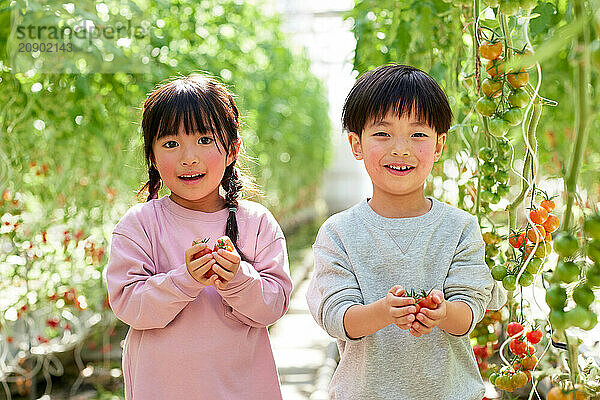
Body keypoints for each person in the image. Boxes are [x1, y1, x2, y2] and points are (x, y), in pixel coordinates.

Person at [305, 64, 506, 400]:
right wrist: (384, 311)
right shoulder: (338, 234)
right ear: (356, 144)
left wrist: (443, 313)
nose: (401, 148)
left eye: (418, 135)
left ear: (439, 145)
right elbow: (338, 318)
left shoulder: (459, 228)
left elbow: (467, 315)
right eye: (383, 134)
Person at [106, 73, 293, 400]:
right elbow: (129, 306)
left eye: (204, 140)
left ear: (233, 150)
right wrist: (184, 279)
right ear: (151, 154)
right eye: (170, 144)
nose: (188, 157)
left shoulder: (256, 223)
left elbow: (273, 305)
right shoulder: (140, 224)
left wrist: (237, 277)